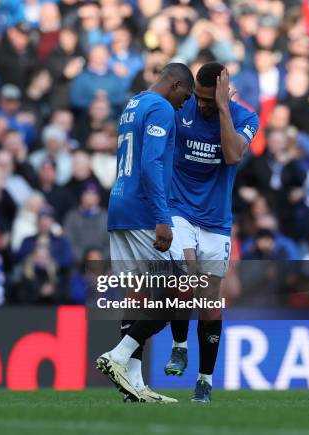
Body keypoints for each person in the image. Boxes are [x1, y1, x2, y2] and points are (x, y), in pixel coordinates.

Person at [95, 63, 194, 403]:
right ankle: (118, 356)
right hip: (143, 212)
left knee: (137, 298)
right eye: (186, 96)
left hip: (119, 206)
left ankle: (134, 386)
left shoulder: (133, 104)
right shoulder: (162, 107)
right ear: (177, 85)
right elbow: (151, 161)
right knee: (181, 292)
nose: (185, 104)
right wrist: (162, 217)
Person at [163, 63, 259, 403]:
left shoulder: (245, 118)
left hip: (216, 221)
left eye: (209, 99)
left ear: (222, 92)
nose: (202, 105)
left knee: (209, 305)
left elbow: (232, 156)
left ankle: (204, 380)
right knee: (183, 281)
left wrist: (221, 109)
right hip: (179, 211)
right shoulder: (180, 109)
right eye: (200, 99)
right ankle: (178, 346)